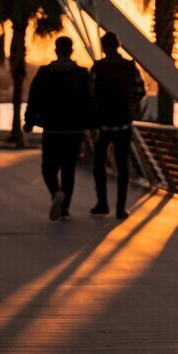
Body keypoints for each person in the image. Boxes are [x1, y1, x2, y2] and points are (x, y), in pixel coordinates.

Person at [24, 36, 96, 221]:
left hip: (52, 129)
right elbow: (89, 101)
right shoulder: (81, 74)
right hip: (74, 130)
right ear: (71, 51)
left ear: (56, 50)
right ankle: (64, 208)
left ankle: (56, 193)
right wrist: (92, 125)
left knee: (48, 168)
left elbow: (34, 98)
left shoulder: (45, 72)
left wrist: (29, 121)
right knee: (68, 169)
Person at [90, 31, 145, 220]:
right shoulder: (130, 67)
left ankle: (102, 204)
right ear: (119, 46)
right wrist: (130, 106)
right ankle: (121, 208)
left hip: (103, 124)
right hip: (123, 123)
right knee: (123, 165)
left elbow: (90, 95)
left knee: (99, 164)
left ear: (104, 47)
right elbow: (140, 90)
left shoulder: (97, 68)